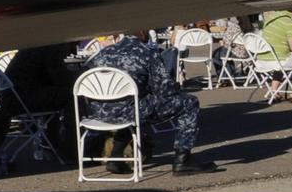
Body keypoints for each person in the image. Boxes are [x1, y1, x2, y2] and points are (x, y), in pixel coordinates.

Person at [86, 34, 216, 174]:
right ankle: (182, 161)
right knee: (189, 103)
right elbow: (164, 90)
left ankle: (115, 158)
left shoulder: (103, 53)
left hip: (98, 114)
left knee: (131, 104)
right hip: (130, 111)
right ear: (142, 32)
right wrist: (175, 86)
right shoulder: (147, 52)